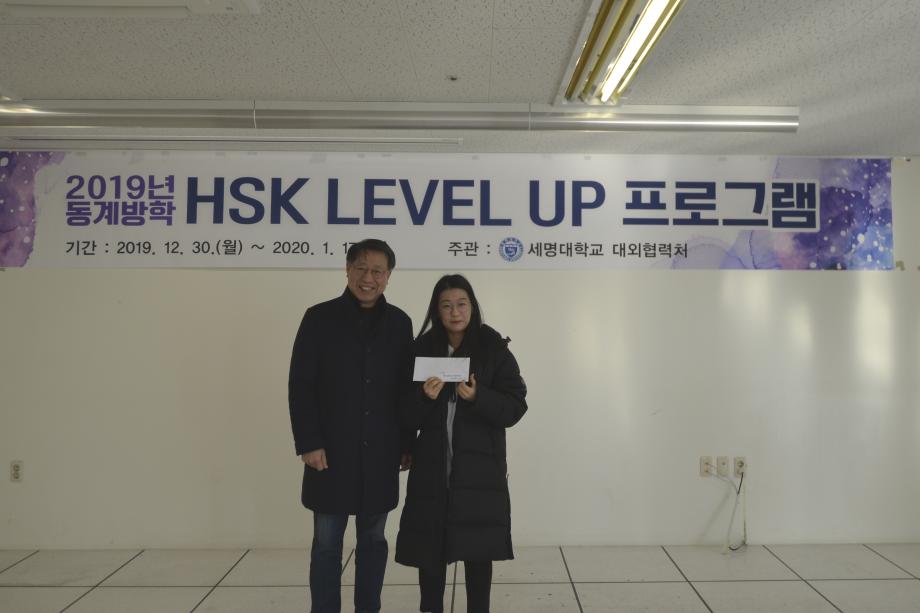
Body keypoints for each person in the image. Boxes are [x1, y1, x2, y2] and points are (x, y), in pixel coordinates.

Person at [289, 238, 413, 613]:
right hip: (330, 452)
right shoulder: (319, 318)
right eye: (361, 268)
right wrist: (309, 441)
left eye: (377, 271)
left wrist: (407, 443)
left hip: (381, 452)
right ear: (347, 269)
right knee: (327, 543)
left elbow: (406, 389)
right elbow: (301, 384)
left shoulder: (400, 323)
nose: (368, 278)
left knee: (374, 541)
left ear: (389, 276)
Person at [395, 274, 527, 613]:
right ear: (436, 311)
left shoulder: (493, 348)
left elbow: (516, 405)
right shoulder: (421, 350)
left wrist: (479, 397)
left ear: (472, 307)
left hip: (480, 470)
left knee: (478, 551)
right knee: (430, 551)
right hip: (432, 469)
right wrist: (424, 398)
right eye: (446, 305)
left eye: (461, 304)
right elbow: (403, 412)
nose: (455, 312)